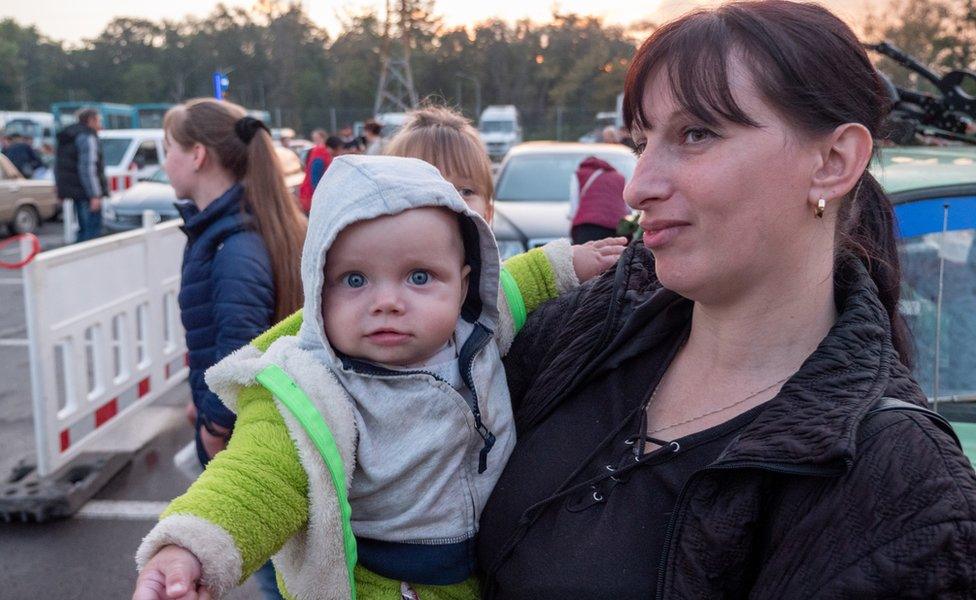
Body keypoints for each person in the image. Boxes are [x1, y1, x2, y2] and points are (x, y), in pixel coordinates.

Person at [476, 2, 976, 598]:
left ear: (834, 162)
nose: (639, 186)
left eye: (696, 134)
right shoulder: (582, 330)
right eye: (641, 142)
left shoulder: (901, 488)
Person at [132, 156, 623, 600]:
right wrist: (190, 548)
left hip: (491, 568)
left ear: (465, 285)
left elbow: (518, 280)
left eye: (419, 277)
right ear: (318, 288)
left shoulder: (477, 330)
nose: (387, 301)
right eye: (355, 280)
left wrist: (569, 263)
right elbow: (256, 479)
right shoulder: (311, 388)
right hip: (388, 585)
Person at [161, 98, 306, 600]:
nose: (165, 161)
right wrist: (200, 401)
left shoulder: (232, 244)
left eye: (168, 148)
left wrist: (214, 426)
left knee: (273, 575)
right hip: (246, 426)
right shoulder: (229, 229)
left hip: (243, 435)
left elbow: (237, 353)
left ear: (197, 155)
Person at [55, 108, 108, 242]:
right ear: (91, 120)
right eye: (98, 120)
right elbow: (88, 168)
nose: (100, 124)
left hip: (75, 191)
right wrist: (95, 195)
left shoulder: (69, 135)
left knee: (83, 229)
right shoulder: (87, 137)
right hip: (87, 193)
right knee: (92, 233)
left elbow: (59, 165)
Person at [567, 156, 630, 244]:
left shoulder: (579, 174)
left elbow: (574, 205)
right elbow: (627, 207)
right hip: (616, 228)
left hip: (587, 228)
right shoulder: (620, 177)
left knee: (588, 256)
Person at [298, 128, 333, 213]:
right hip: (314, 195)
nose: (316, 141)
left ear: (323, 138)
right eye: (314, 139)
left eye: (317, 139)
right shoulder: (320, 152)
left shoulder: (317, 152)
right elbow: (315, 176)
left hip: (309, 194)